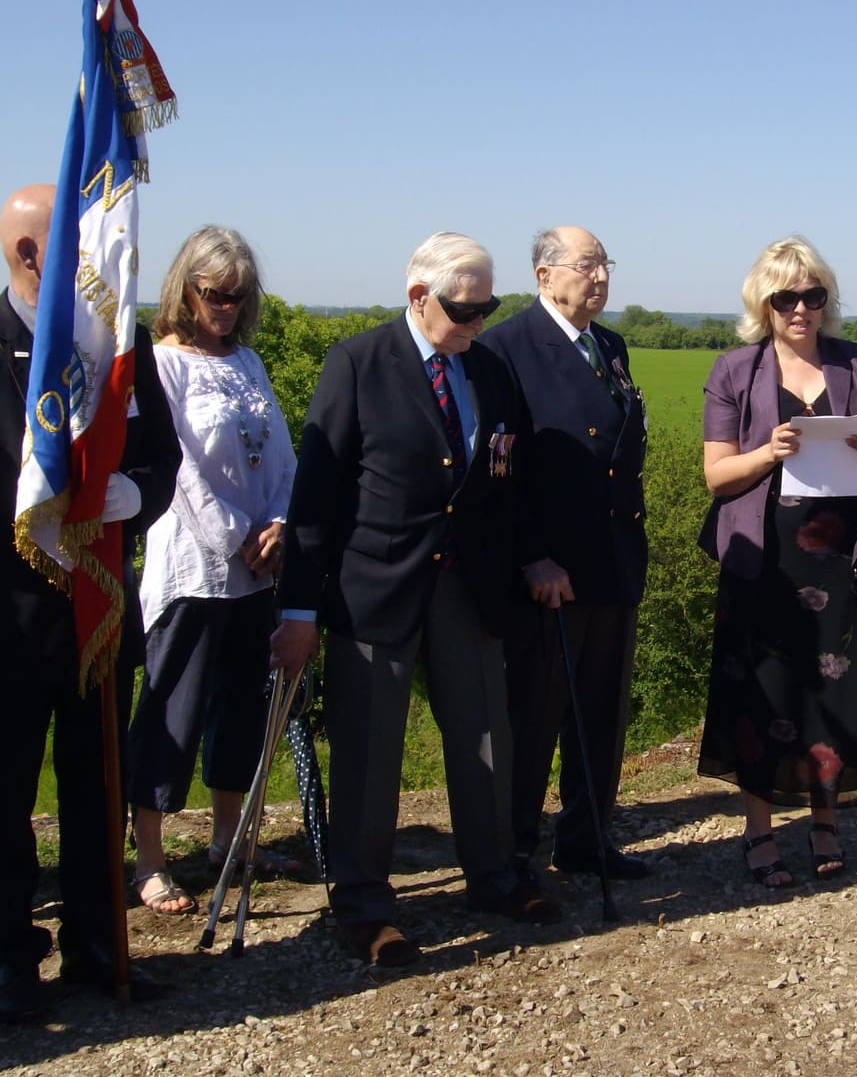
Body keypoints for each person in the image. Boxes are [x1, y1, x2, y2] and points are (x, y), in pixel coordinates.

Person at [270, 231, 540, 965]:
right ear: (418, 296)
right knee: (368, 753)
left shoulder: (489, 369)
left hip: (468, 586)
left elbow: (507, 479)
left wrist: (529, 560)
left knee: (487, 736)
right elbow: (315, 499)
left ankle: (495, 875)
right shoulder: (358, 363)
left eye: (488, 306)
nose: (478, 321)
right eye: (464, 306)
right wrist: (299, 609)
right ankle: (363, 906)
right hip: (375, 589)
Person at [1, 183, 181, 1017]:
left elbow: (160, 456)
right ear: (26, 254)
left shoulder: (119, 343)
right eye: (73, 250)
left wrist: (131, 495)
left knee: (95, 787)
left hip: (99, 609)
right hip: (10, 615)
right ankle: (10, 963)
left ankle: (97, 944)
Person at [696, 236, 857, 887]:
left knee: (836, 692)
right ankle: (758, 833)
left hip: (844, 558)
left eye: (813, 296)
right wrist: (769, 452)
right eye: (786, 298)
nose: (801, 309)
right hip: (765, 558)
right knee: (762, 693)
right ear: (764, 302)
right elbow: (716, 476)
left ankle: (824, 822)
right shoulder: (735, 370)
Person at [125, 227, 298, 916]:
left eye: (238, 295)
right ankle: (149, 858)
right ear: (185, 289)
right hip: (193, 565)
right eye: (213, 294)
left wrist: (283, 526)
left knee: (241, 709)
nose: (226, 306)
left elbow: (284, 456)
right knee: (174, 705)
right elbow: (180, 469)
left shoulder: (249, 363)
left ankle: (231, 840)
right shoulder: (163, 365)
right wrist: (236, 537)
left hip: (258, 568)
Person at [477, 226, 649, 896]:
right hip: (550, 570)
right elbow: (499, 470)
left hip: (611, 558)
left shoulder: (609, 346)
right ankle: (515, 851)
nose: (600, 276)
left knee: (602, 714)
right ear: (545, 276)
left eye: (606, 263)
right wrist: (532, 556)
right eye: (587, 265)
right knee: (536, 714)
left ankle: (587, 837)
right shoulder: (506, 348)